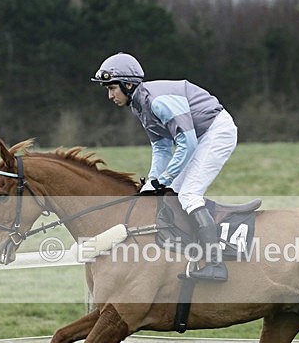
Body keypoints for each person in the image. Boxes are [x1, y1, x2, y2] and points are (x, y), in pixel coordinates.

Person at [91, 52, 238, 282]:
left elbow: (186, 142)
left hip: (215, 132)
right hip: (197, 136)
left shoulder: (157, 101)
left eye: (112, 88)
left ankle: (215, 264)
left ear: (128, 84)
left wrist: (164, 178)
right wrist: (153, 182)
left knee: (188, 194)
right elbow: (161, 147)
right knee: (171, 193)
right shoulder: (139, 105)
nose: (109, 95)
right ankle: (188, 251)